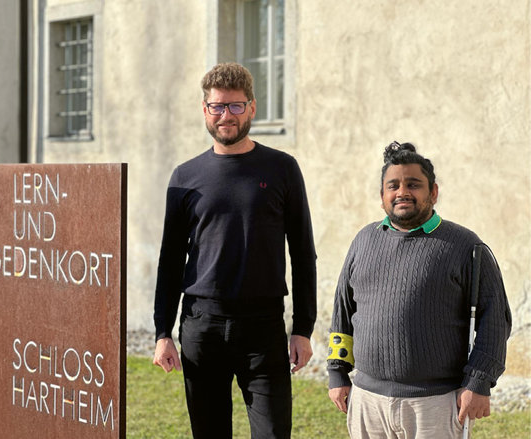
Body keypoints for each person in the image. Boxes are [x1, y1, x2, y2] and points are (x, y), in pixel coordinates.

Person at [152, 62, 317, 439]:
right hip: (202, 326)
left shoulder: (282, 169)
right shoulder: (184, 177)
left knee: (273, 433)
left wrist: (303, 328)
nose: (226, 115)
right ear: (205, 110)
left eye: (236, 106)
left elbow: (303, 252)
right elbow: (171, 260)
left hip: (263, 327)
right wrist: (163, 331)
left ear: (252, 108)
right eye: (217, 106)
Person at [327, 141, 511, 439]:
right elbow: (343, 312)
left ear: (433, 192)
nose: (402, 192)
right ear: (382, 196)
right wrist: (337, 371)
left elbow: (496, 321)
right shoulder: (363, 241)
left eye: (413, 184)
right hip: (367, 401)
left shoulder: (465, 246)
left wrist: (478, 382)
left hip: (435, 404)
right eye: (393, 186)